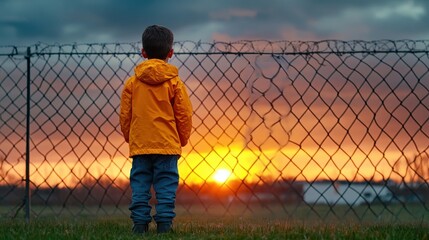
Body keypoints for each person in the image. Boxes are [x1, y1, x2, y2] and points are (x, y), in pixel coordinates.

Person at [119, 25, 193, 234]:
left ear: (143, 53)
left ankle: (140, 225)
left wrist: (130, 137)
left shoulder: (132, 83)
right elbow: (184, 114)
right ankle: (164, 225)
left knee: (140, 186)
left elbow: (125, 115)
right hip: (167, 146)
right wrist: (182, 138)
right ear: (170, 53)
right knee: (166, 187)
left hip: (141, 144)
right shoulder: (175, 83)